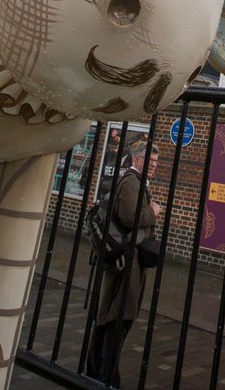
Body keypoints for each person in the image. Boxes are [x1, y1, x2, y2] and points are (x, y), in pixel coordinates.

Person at [85, 140, 161, 386]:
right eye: (149, 160)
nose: (154, 165)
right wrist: (153, 212)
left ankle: (95, 371)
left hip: (129, 259)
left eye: (156, 161)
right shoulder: (130, 183)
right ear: (137, 159)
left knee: (110, 318)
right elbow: (130, 217)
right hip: (126, 262)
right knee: (118, 320)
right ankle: (106, 377)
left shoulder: (138, 183)